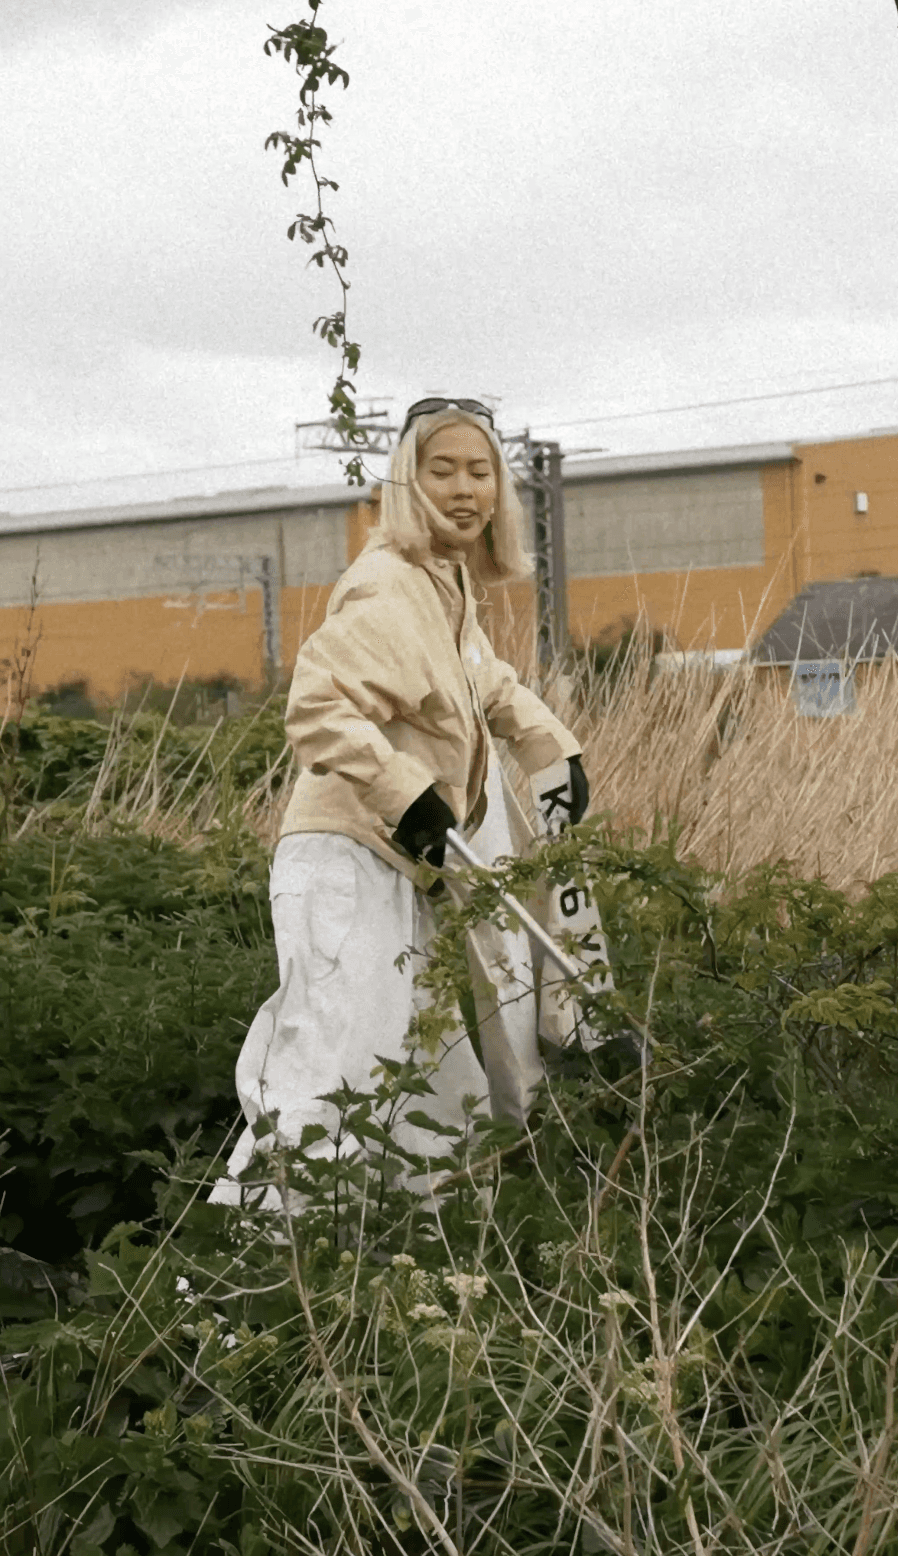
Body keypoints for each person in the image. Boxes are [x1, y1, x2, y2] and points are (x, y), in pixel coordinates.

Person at [208, 397, 589, 1219]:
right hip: (344, 860)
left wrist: (552, 748)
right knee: (330, 1066)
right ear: (407, 483)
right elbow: (317, 708)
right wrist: (407, 794)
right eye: (441, 470)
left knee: (434, 1083)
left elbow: (484, 681)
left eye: (480, 472)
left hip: (402, 863)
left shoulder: (442, 582)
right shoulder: (385, 583)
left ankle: (401, 1274)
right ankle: (251, 1279)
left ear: (500, 490)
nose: (464, 489)